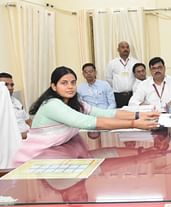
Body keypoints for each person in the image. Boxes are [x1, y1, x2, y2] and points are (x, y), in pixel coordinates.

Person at [12, 66, 159, 166]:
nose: (70, 86)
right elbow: (90, 122)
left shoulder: (75, 103)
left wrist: (141, 114)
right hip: (32, 161)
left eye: (73, 82)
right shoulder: (52, 105)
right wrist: (135, 124)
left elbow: (106, 113)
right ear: (54, 86)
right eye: (64, 83)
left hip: (55, 155)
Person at [105, 41, 139, 108]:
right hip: (118, 96)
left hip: (133, 94)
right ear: (118, 50)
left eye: (127, 47)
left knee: (133, 114)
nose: (125, 49)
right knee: (120, 115)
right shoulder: (112, 63)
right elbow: (108, 79)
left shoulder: (135, 62)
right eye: (123, 47)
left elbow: (138, 78)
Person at [0, 72, 31, 139]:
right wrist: (24, 135)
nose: (10, 88)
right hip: (17, 141)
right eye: (6, 85)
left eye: (12, 85)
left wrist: (37, 131)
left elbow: (28, 120)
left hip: (29, 136)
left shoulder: (16, 101)